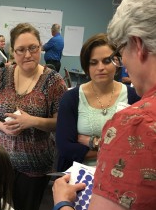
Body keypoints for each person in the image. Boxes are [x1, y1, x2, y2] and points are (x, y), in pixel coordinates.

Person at [52, 0, 156, 210]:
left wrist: (61, 203)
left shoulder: (136, 122)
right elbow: (65, 145)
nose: (119, 63)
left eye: (118, 54)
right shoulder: (74, 98)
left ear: (137, 44)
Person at [0, 22, 67, 210]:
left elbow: (61, 124)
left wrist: (32, 121)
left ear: (40, 47)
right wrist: (0, 125)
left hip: (33, 167)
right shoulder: (1, 75)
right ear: (12, 51)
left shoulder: (53, 81)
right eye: (21, 49)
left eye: (33, 48)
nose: (28, 54)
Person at [56, 33, 140, 172]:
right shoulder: (71, 98)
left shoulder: (134, 97)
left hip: (121, 175)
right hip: (79, 176)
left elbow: (137, 146)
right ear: (86, 66)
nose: (100, 67)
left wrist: (92, 142)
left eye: (107, 61)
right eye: (93, 62)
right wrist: (116, 149)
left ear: (118, 62)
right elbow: (66, 148)